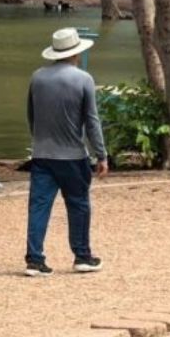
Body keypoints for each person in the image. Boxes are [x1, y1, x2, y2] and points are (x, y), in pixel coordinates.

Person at [24, 28, 108, 277]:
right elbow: (91, 121)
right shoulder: (84, 79)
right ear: (76, 53)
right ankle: (82, 256)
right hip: (72, 155)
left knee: (39, 207)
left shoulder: (37, 77)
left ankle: (34, 259)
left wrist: (38, 141)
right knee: (78, 204)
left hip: (42, 154)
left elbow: (31, 115)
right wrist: (101, 154)